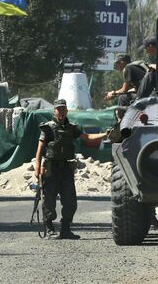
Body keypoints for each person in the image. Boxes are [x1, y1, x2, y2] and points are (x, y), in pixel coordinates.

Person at [34, 99, 107, 239]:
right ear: (54, 111)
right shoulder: (48, 128)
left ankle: (65, 230)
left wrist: (105, 134)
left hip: (66, 169)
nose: (61, 112)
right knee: (49, 199)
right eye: (58, 109)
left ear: (66, 110)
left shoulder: (71, 128)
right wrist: (37, 168)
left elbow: (88, 137)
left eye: (63, 109)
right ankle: (49, 229)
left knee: (70, 201)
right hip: (51, 169)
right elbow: (40, 149)